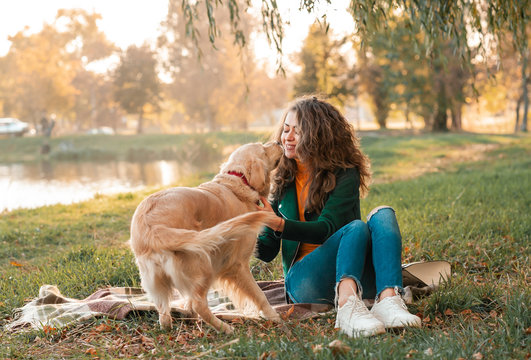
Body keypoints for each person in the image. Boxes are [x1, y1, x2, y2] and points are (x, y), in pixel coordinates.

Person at [256, 96, 421, 338]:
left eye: (297, 132)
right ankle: (346, 308)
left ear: (318, 136)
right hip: (304, 282)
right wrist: (249, 223)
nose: (287, 138)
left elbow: (327, 229)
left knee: (383, 214)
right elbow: (266, 252)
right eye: (285, 129)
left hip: (354, 272)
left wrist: (281, 224)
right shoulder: (280, 180)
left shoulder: (345, 174)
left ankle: (388, 300)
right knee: (355, 228)